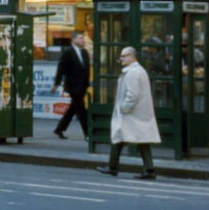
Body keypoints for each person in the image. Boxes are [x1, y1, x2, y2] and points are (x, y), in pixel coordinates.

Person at [99, 46, 159, 179]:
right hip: (138, 113)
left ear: (132, 56)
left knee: (120, 137)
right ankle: (147, 169)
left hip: (132, 113)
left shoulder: (133, 73)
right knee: (138, 140)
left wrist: (124, 108)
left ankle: (114, 167)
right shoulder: (138, 71)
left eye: (124, 56)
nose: (121, 58)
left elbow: (132, 94)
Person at [52, 30, 92, 140]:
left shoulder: (84, 52)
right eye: (80, 38)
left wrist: (87, 83)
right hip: (73, 86)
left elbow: (86, 69)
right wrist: (56, 83)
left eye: (83, 38)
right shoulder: (67, 53)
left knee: (73, 108)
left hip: (82, 86)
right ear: (73, 40)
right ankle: (88, 133)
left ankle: (59, 128)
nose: (82, 40)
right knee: (81, 110)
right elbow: (61, 69)